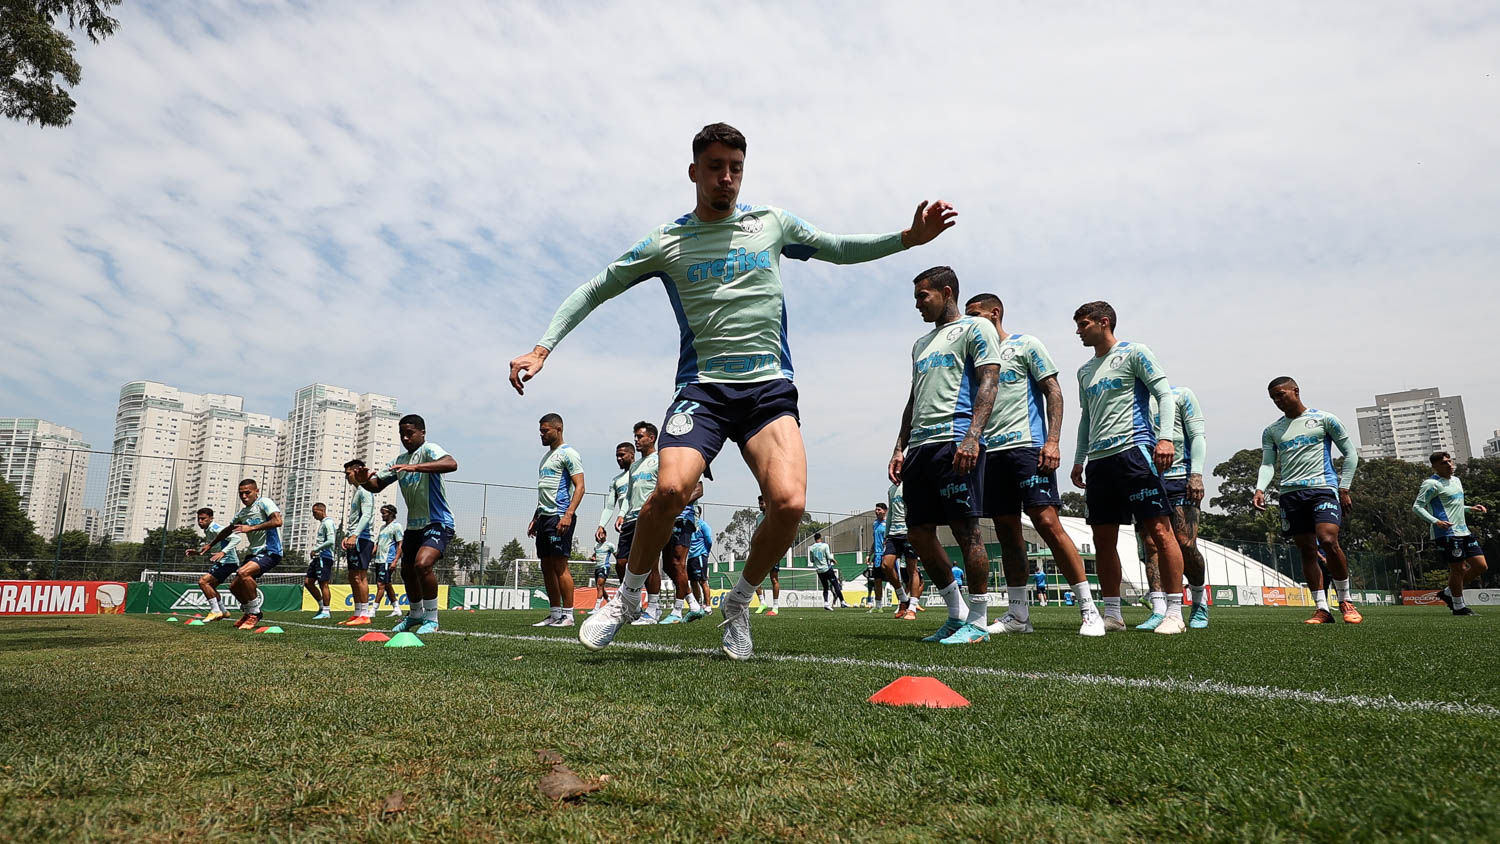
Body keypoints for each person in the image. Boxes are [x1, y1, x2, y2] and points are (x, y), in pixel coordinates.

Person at [510, 122, 956, 660]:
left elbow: (838, 247)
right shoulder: (667, 242)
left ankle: (738, 604)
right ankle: (627, 599)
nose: (727, 178)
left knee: (789, 504)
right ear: (694, 171)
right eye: (716, 167)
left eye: (736, 168)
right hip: (703, 391)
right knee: (670, 491)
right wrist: (542, 348)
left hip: (767, 389)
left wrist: (907, 239)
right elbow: (596, 288)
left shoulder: (770, 224)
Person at [964, 292, 1103, 637]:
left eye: (975, 315)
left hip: (1027, 447)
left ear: (995, 313)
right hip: (989, 453)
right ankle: (1018, 615)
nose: (970, 322)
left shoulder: (1026, 345)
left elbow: (1053, 392)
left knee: (1046, 521)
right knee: (1007, 531)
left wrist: (1052, 441)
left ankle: (1089, 609)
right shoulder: (973, 357)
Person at [890, 266, 1001, 645]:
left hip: (956, 441)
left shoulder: (975, 328)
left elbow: (990, 380)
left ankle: (980, 621)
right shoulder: (920, 345)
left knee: (965, 529)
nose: (918, 304)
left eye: (923, 296)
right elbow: (913, 397)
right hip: (920, 447)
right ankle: (956, 615)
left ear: (946, 292)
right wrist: (899, 445)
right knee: (918, 534)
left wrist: (973, 436)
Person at [1069, 300, 1187, 635]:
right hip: (1100, 462)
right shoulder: (1085, 371)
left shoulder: (1135, 352)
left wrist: (1165, 439)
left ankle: (1175, 613)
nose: (1078, 331)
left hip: (1134, 452)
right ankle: (1113, 614)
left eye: (1083, 324)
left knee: (1160, 532)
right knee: (1102, 538)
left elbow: (1164, 394)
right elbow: (1087, 417)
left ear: (1103, 322)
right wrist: (1080, 458)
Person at [1253, 377, 1363, 624]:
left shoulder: (1324, 419)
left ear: (1296, 391)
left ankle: (1345, 600)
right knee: (1306, 550)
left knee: (1328, 539)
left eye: (1281, 394)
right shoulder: (1272, 430)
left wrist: (1344, 488)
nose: (1278, 401)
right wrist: (1260, 489)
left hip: (1323, 489)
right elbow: (1268, 464)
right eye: (1273, 398)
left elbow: (1350, 454)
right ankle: (1322, 608)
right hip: (1291, 495)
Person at [352, 414, 458, 635]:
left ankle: (432, 619)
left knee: (422, 564)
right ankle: (415, 615)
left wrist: (416, 467)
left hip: (438, 522)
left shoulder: (429, 449)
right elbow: (376, 485)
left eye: (410, 433)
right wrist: (363, 480)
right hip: (414, 527)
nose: (405, 438)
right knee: (408, 572)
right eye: (402, 434)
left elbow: (451, 463)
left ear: (422, 433)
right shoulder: (398, 461)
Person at [1137, 385, 1210, 631]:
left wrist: (1197, 475)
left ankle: (1199, 600)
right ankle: (1159, 609)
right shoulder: (1133, 397)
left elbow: (1198, 435)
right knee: (1151, 544)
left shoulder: (1181, 395)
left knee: (1185, 544)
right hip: (1146, 478)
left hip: (1181, 478)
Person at [201, 479, 284, 630]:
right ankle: (247, 613)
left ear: (256, 491)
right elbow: (227, 530)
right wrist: (210, 545)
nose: (244, 496)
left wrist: (251, 528)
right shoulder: (242, 513)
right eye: (241, 493)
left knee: (243, 572)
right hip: (253, 553)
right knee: (234, 587)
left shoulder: (264, 502)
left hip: (270, 550)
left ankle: (255, 613)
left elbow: (278, 521)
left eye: (248, 492)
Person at [1413, 451, 1488, 616]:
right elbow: (1417, 507)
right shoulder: (1431, 484)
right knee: (1458, 569)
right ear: (1434, 467)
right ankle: (1459, 606)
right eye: (1444, 463)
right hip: (1446, 533)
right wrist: (1435, 521)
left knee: (1481, 566)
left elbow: (1455, 505)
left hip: (1464, 531)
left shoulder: (1456, 481)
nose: (1449, 465)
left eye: (1449, 461)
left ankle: (1448, 592)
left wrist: (1471, 508)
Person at [529, 413, 586, 628]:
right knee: (546, 565)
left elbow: (580, 487)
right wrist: (535, 517)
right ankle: (554, 613)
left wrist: (568, 514)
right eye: (540, 431)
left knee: (560, 565)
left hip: (559, 515)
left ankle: (569, 615)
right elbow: (545, 490)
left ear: (558, 429)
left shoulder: (569, 454)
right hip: (544, 517)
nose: (541, 435)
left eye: (545, 431)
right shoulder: (546, 458)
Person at [338, 459, 378, 626]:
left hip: (362, 539)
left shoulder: (365, 490)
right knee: (353, 576)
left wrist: (355, 535)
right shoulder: (357, 491)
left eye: (348, 473)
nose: (346, 477)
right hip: (355, 538)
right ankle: (357, 613)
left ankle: (365, 614)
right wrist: (347, 535)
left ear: (356, 471)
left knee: (360, 576)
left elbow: (367, 516)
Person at [187, 506, 242, 623]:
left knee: (203, 582)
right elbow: (212, 546)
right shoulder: (208, 530)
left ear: (211, 518)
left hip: (227, 562)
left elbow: (236, 539)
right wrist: (197, 552)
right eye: (199, 519)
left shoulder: (215, 528)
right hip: (224, 562)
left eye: (203, 519)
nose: (200, 521)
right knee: (210, 587)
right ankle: (223, 611)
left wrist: (223, 552)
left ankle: (216, 611)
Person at [880, 486, 919, 619]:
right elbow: (890, 513)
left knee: (911, 569)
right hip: (893, 535)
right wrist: (887, 534)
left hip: (908, 533)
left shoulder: (910, 484)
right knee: (886, 565)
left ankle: (912, 607)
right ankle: (903, 598)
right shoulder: (891, 489)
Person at [371, 504, 404, 617]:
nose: (382, 516)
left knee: (381, 584)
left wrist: (395, 561)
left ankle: (373, 610)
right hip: (379, 560)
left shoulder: (397, 526)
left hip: (387, 560)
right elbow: (377, 543)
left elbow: (400, 544)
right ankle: (396, 608)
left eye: (384, 513)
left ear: (391, 514)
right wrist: (370, 555)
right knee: (387, 584)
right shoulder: (382, 528)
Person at [306, 503, 338, 620]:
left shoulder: (328, 523)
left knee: (323, 583)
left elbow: (331, 541)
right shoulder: (323, 524)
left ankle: (326, 611)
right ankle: (321, 606)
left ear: (321, 510)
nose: (313, 515)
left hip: (325, 557)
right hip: (318, 557)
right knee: (308, 582)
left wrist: (316, 549)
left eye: (315, 512)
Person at [752, 496, 782, 616]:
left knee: (774, 578)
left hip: (773, 551)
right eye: (759, 503)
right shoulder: (758, 518)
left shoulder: (774, 516)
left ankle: (775, 606)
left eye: (762, 503)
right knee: (755, 578)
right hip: (761, 551)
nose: (760, 505)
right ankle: (762, 602)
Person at [687, 506, 713, 620]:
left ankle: (708, 606)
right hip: (690, 557)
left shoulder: (703, 525)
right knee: (693, 581)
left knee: (703, 581)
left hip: (700, 556)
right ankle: (697, 606)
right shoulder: (688, 526)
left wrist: (705, 552)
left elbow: (709, 540)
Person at [810, 532, 837, 611]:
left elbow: (811, 560)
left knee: (825, 587)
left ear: (814, 539)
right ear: (820, 538)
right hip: (826, 569)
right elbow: (828, 557)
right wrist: (833, 560)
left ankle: (826, 603)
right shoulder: (825, 545)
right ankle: (842, 601)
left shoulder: (811, 548)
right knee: (835, 584)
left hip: (819, 571)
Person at [589, 538, 615, 614]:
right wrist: (593, 557)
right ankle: (611, 603)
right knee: (600, 587)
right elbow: (595, 553)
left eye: (602, 534)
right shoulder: (596, 545)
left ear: (605, 535)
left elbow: (616, 554)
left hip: (604, 567)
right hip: (597, 567)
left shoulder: (610, 545)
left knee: (599, 586)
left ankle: (596, 608)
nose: (599, 536)